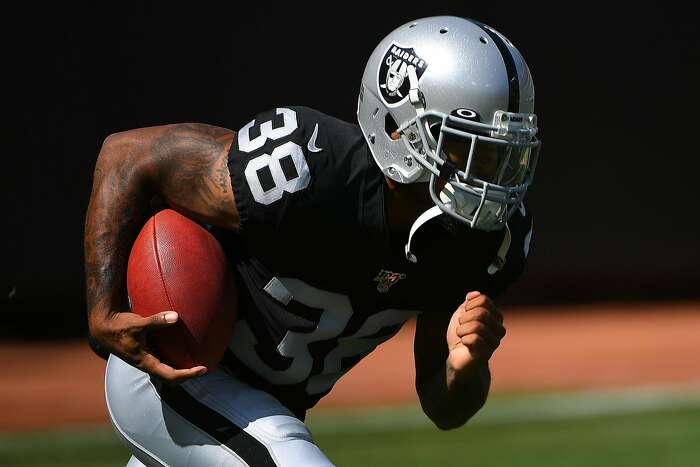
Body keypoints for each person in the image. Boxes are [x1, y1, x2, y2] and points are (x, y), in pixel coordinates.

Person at [84, 16, 540, 467]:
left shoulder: (480, 240)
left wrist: (466, 367)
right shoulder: (307, 168)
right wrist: (102, 310)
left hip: (256, 412)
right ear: (400, 128)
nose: (491, 174)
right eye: (468, 146)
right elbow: (128, 155)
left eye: (503, 153)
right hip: (171, 374)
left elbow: (444, 408)